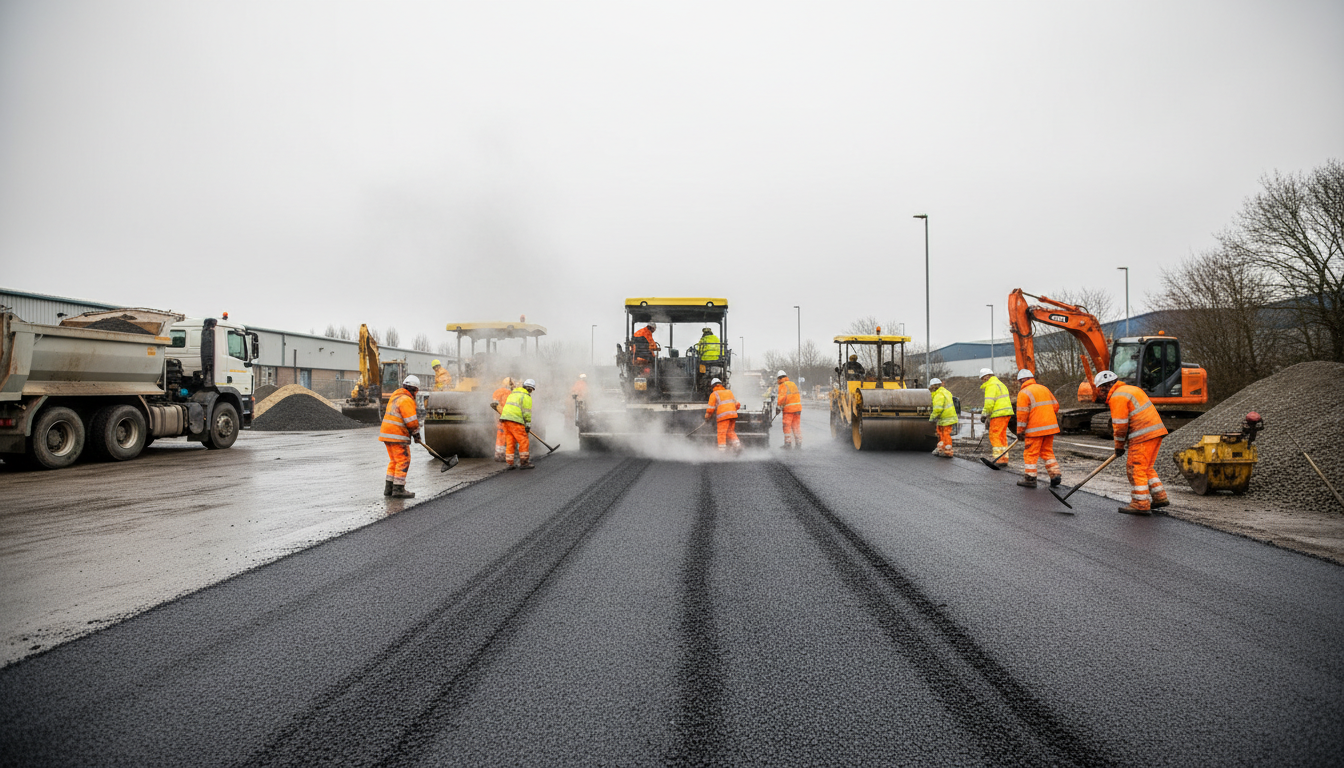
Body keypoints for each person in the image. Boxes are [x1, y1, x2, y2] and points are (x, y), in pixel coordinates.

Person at [1094, 369, 1170, 515]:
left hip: (1142, 435)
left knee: (1135, 468)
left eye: (1101, 390)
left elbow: (1120, 426)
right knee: (1146, 467)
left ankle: (1140, 504)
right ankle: (1159, 497)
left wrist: (1119, 446)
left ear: (1106, 386)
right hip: (1156, 432)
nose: (1100, 394)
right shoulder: (1132, 389)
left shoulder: (1117, 397)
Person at [1014, 369, 1062, 488]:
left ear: (1021, 380)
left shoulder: (1023, 393)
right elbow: (1056, 406)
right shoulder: (1044, 389)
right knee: (1047, 451)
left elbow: (1022, 415)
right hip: (1050, 428)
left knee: (1030, 453)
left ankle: (1030, 478)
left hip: (1034, 430)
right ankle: (1055, 475)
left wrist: (1020, 431)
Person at [378, 374, 422, 498]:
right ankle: (398, 489)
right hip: (397, 435)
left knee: (394, 461)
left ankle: (389, 488)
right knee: (403, 460)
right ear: (415, 390)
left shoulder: (395, 397)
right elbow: (411, 421)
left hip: (387, 434)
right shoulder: (406, 399)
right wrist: (416, 433)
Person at [979, 368, 1013, 467]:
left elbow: (989, 403)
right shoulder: (1001, 384)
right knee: (1002, 435)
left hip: (998, 414)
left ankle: (999, 458)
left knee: (995, 435)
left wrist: (984, 414)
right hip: (1006, 413)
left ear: (985, 378)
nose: (983, 381)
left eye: (982, 379)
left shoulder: (991, 385)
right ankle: (1004, 457)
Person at [500, 378, 537, 469]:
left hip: (505, 420)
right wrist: (527, 425)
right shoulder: (526, 396)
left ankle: (509, 463)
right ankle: (524, 463)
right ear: (531, 389)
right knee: (523, 441)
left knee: (510, 442)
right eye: (531, 389)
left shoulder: (513, 393)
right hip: (515, 421)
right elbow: (526, 413)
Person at [704, 377, 742, 452]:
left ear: (713, 386)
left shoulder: (714, 394)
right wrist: (731, 411)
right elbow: (737, 405)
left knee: (721, 433)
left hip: (723, 417)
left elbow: (710, 409)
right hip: (733, 415)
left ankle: (722, 451)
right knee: (730, 432)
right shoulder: (729, 392)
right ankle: (738, 446)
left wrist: (707, 417)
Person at [928, 378, 957, 457]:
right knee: (940, 433)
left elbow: (938, 409)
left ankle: (948, 450)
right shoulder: (946, 392)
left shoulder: (939, 394)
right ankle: (941, 448)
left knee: (945, 434)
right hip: (946, 417)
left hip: (946, 418)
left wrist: (931, 418)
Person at [775, 370, 802, 450]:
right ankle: (798, 443)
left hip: (789, 409)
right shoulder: (793, 384)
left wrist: (778, 407)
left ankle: (788, 443)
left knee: (786, 426)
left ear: (779, 378)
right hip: (797, 408)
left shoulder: (782, 385)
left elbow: (782, 398)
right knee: (796, 426)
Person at [490, 377, 514, 462]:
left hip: (499, 417)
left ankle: (499, 454)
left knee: (500, 436)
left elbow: (494, 405)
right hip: (507, 417)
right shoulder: (510, 393)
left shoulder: (496, 392)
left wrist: (496, 418)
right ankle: (508, 455)